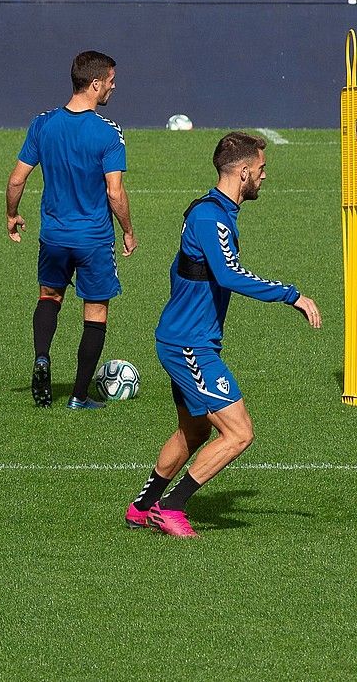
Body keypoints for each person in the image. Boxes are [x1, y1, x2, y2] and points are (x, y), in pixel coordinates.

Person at [127, 132, 320, 538]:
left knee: (194, 431)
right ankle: (171, 507)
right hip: (189, 345)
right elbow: (229, 274)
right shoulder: (209, 217)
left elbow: (185, 270)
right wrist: (292, 295)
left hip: (184, 337)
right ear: (244, 171)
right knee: (239, 432)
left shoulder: (211, 210)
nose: (265, 177)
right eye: (262, 170)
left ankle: (142, 507)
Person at [5, 51, 137, 409]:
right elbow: (114, 191)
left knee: (49, 296)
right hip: (93, 240)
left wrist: (12, 214)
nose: (113, 86)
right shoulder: (108, 132)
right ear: (95, 84)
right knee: (95, 312)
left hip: (54, 237)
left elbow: (17, 179)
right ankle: (79, 395)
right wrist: (128, 229)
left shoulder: (42, 124)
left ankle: (43, 356)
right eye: (110, 80)